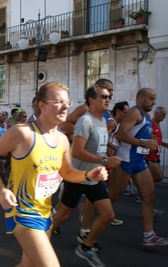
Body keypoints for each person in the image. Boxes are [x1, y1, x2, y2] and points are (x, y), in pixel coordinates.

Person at [0, 82, 108, 267]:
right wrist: (1, 190)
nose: (66, 106)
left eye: (68, 102)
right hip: (22, 212)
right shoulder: (23, 133)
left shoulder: (63, 140)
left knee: (29, 265)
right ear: (42, 105)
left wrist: (89, 175)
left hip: (45, 214)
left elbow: (67, 172)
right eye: (59, 101)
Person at [52, 86, 121, 267]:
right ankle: (38, 241)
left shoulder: (101, 121)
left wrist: (107, 151)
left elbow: (94, 146)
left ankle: (86, 247)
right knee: (63, 215)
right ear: (92, 100)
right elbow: (77, 151)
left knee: (107, 215)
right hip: (79, 176)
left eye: (110, 96)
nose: (108, 99)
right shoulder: (86, 121)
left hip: (94, 177)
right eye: (104, 96)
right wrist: (105, 159)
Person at [108, 88, 168, 247]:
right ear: (141, 98)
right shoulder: (134, 113)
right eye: (151, 99)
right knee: (114, 197)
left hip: (139, 161)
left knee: (149, 196)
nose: (154, 102)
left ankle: (149, 235)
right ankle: (89, 210)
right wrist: (143, 143)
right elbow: (122, 134)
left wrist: (149, 142)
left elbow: (140, 137)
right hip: (125, 160)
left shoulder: (146, 116)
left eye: (154, 99)